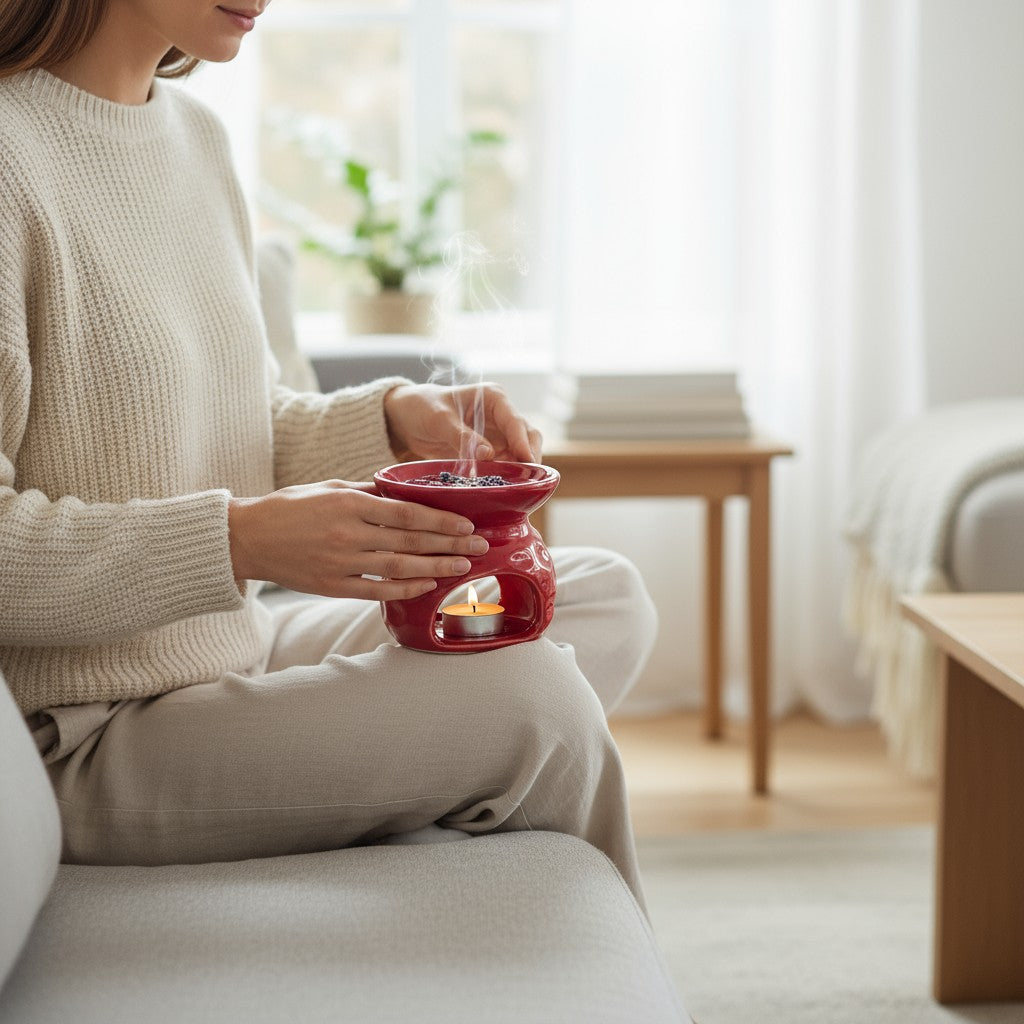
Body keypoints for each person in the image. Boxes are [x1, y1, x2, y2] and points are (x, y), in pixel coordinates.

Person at [0, 0, 657, 905]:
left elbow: (237, 422)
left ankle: (411, 786)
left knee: (600, 596)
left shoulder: (195, 139)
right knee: (535, 701)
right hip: (86, 735)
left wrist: (391, 419)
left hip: (237, 651)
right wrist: (238, 542)